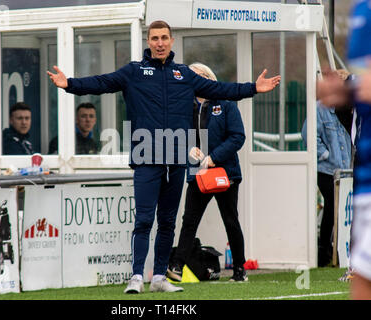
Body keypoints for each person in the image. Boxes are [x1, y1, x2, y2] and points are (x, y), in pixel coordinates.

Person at [47, 20, 280, 294]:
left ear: (171, 42)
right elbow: (101, 82)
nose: (159, 43)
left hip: (176, 159)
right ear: (148, 42)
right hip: (146, 158)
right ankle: (136, 277)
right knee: (144, 220)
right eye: (155, 38)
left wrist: (253, 88)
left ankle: (159, 277)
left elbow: (221, 90)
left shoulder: (184, 74)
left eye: (164, 38)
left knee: (168, 221)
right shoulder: (134, 72)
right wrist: (69, 84)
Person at [316, 1, 371, 300]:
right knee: (365, 287)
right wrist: (341, 95)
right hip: (369, 171)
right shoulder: (363, 11)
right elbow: (364, 94)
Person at [167, 62, 248, 282]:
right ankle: (176, 267)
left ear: (208, 77)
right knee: (189, 221)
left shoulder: (226, 104)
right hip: (197, 174)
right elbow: (176, 137)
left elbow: (237, 137)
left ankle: (240, 269)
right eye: (191, 77)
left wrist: (214, 157)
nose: (195, 80)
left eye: (199, 75)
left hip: (225, 172)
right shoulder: (184, 106)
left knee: (230, 220)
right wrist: (187, 149)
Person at [301, 70, 353, 267]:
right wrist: (325, 155)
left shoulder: (348, 109)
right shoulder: (319, 109)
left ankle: (338, 250)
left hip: (344, 168)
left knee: (342, 209)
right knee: (332, 206)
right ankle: (324, 251)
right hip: (326, 169)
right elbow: (308, 135)